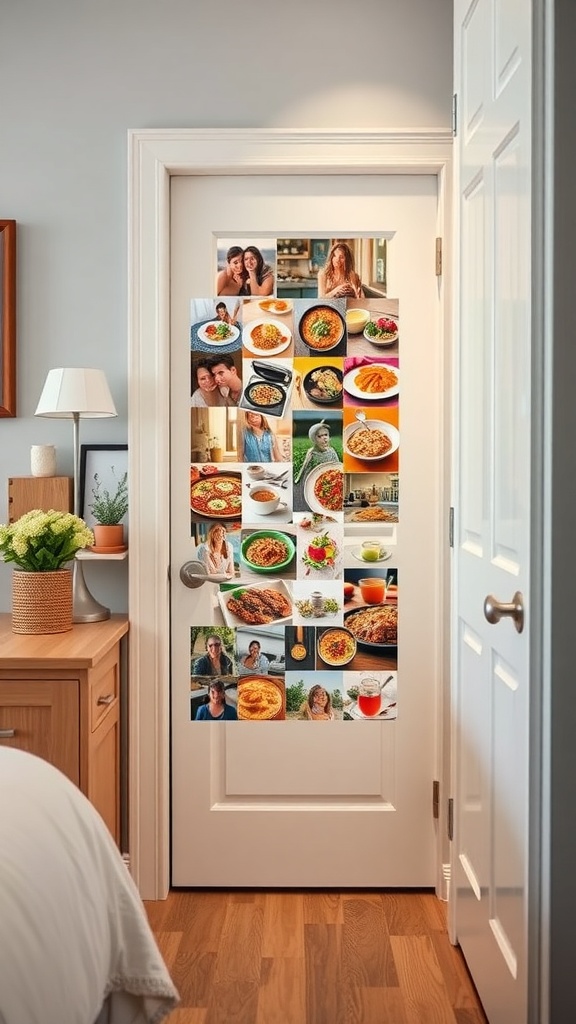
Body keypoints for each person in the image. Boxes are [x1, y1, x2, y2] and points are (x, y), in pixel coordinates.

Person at [296, 419, 340, 485]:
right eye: (319, 436)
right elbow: (304, 467)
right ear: (314, 439)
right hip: (314, 481)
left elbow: (337, 464)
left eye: (326, 435)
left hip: (330, 478)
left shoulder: (332, 451)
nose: (324, 438)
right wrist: (298, 479)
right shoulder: (312, 453)